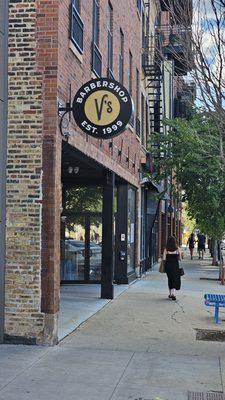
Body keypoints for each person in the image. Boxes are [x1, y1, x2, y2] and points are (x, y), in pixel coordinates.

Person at [163, 236, 182, 301]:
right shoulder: (178, 249)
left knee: (170, 279)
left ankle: (170, 293)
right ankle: (173, 293)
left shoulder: (166, 249)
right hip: (175, 266)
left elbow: (164, 259)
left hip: (168, 266)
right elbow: (180, 259)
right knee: (174, 279)